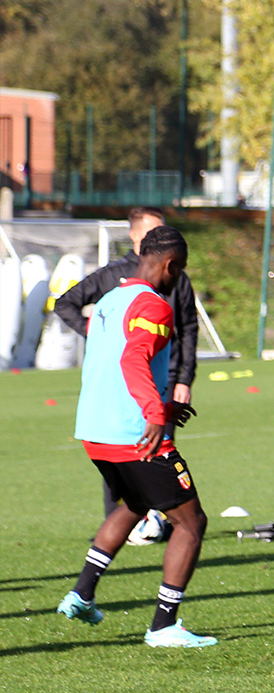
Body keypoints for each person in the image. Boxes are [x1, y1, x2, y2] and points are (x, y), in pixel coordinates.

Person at [55, 226, 215, 647]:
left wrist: (163, 405)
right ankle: (163, 626)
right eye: (181, 269)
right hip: (135, 433)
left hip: (96, 430)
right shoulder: (154, 306)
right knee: (191, 522)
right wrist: (153, 413)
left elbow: (113, 358)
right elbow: (132, 359)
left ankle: (81, 593)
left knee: (135, 504)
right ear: (171, 265)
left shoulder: (111, 300)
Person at [53, 206, 200, 533]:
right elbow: (131, 357)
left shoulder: (171, 283)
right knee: (189, 522)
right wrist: (95, 333)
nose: (161, 236)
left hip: (159, 389)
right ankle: (155, 530)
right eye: (153, 231)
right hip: (130, 403)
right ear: (135, 236)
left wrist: (183, 378)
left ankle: (86, 584)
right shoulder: (117, 282)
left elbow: (189, 328)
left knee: (136, 494)